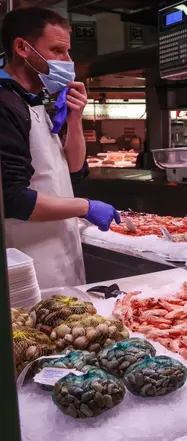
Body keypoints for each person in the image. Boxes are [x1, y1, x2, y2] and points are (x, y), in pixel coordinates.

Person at [1, 7, 120, 289]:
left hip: (58, 248)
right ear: (22, 48)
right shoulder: (5, 104)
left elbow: (75, 172)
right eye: (57, 50)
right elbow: (10, 197)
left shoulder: (33, 101)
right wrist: (84, 206)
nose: (68, 61)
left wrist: (76, 119)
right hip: (27, 257)